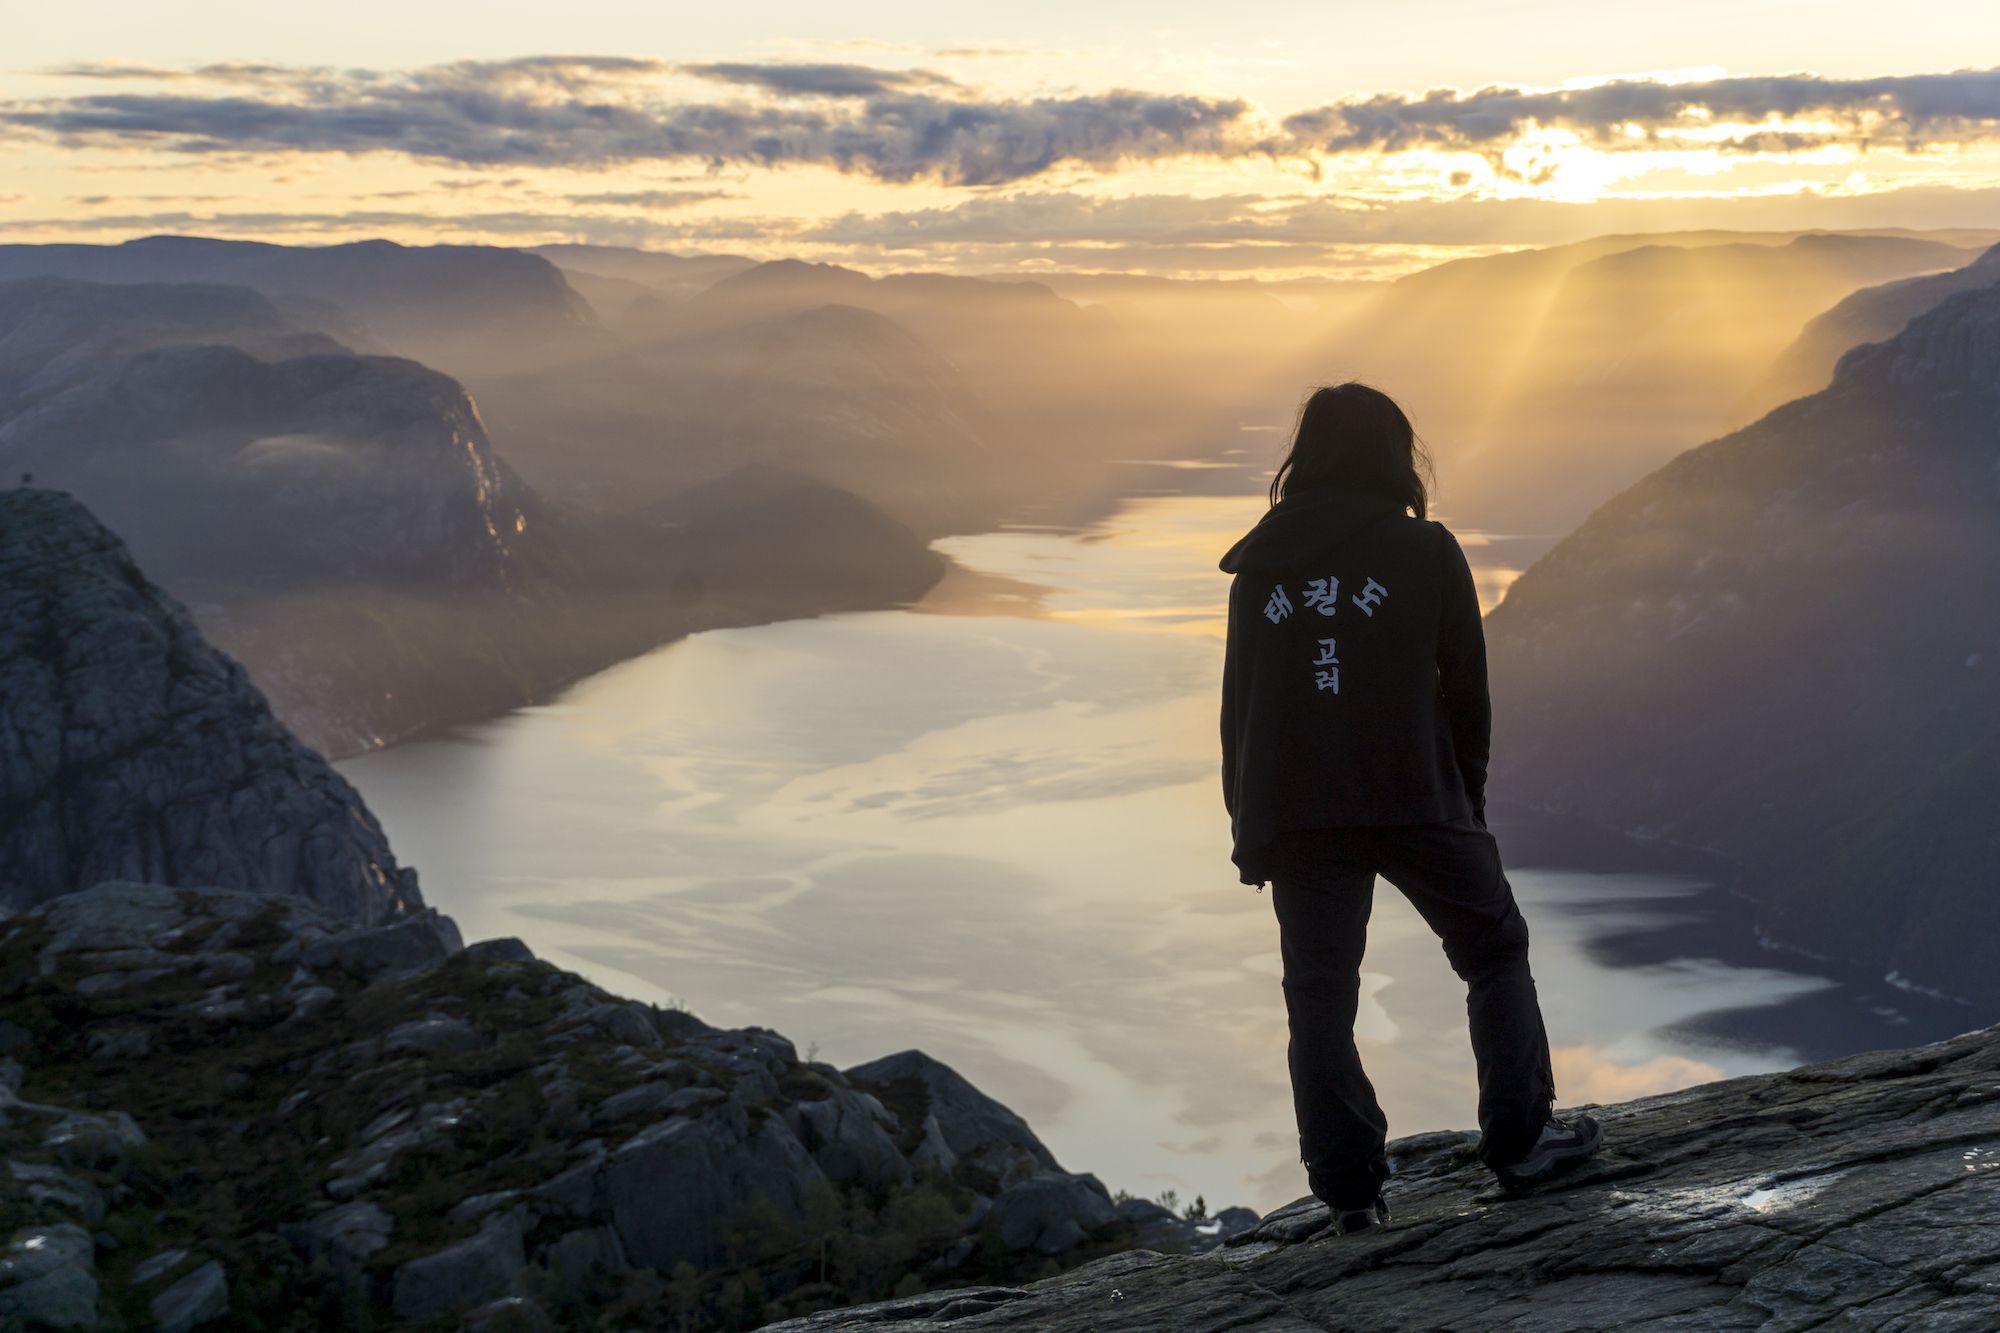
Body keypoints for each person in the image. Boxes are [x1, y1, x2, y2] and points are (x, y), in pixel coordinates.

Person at [1218, 382, 1601, 1236]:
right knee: (1494, 949)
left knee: (1319, 997)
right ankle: (1523, 1142)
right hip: (1416, 794)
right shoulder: (1425, 552)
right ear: (1395, 456)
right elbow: (1468, 690)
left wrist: (1251, 824)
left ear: (1305, 455)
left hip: (1302, 811)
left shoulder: (1261, 568)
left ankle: (1350, 1192)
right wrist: (1465, 794)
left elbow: (1241, 709)